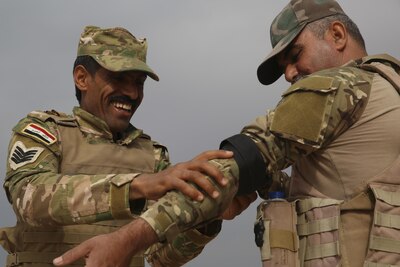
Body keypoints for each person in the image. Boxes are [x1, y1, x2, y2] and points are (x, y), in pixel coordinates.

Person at [54, 0, 400, 266]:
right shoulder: (390, 87)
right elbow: (353, 184)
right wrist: (267, 184)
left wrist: (125, 241)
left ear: (337, 35)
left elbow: (236, 164)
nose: (291, 74)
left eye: (296, 55)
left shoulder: (339, 86)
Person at [0, 25, 256, 267]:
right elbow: (29, 199)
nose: (132, 93)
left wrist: (208, 217)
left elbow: (160, 258)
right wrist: (136, 186)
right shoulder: (45, 131)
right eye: (119, 79)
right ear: (81, 78)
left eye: (139, 83)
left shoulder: (152, 156)